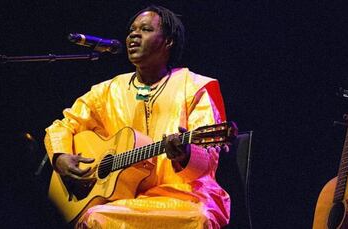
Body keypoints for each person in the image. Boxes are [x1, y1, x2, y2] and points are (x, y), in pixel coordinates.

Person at [44, 5, 230, 229]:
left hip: (184, 197)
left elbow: (208, 157)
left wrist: (186, 154)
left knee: (199, 219)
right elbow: (63, 125)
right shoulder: (108, 90)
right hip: (123, 200)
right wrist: (61, 156)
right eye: (132, 30)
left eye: (145, 29)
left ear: (168, 41)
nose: (133, 34)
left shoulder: (195, 87)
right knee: (96, 217)